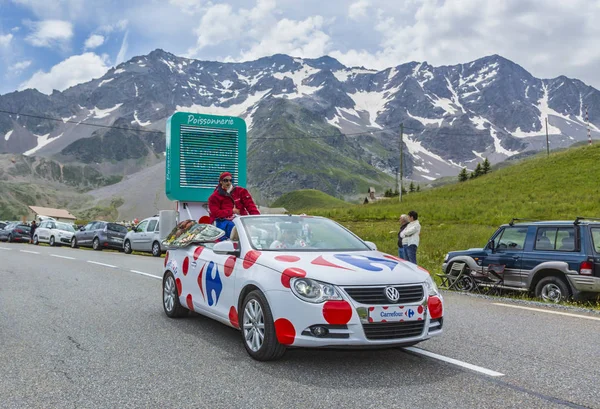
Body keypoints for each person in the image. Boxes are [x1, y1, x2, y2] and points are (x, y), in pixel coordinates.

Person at [208, 171, 260, 238]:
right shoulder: (214, 197)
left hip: (242, 220)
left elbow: (250, 206)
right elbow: (215, 213)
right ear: (221, 182)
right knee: (234, 229)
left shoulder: (241, 191)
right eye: (225, 180)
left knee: (260, 232)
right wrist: (231, 211)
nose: (228, 182)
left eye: (230, 180)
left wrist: (257, 219)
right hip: (224, 222)